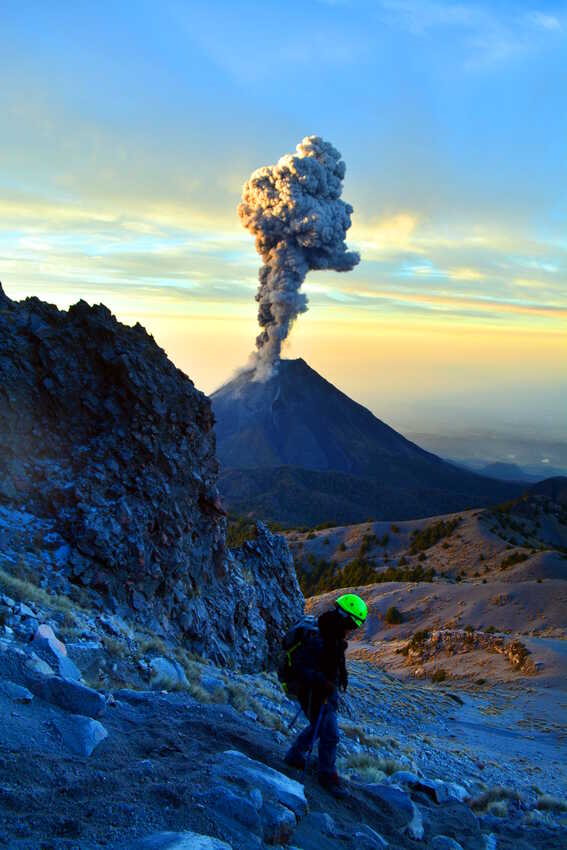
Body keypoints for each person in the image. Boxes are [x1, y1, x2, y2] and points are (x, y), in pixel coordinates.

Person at [284, 593, 368, 797]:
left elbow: (330, 663)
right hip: (310, 690)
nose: (352, 631)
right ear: (345, 618)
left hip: (320, 690)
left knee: (319, 726)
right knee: (330, 733)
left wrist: (335, 680)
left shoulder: (332, 635)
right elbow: (300, 668)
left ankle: (295, 755)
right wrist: (323, 683)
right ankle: (327, 776)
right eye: (353, 625)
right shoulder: (319, 638)